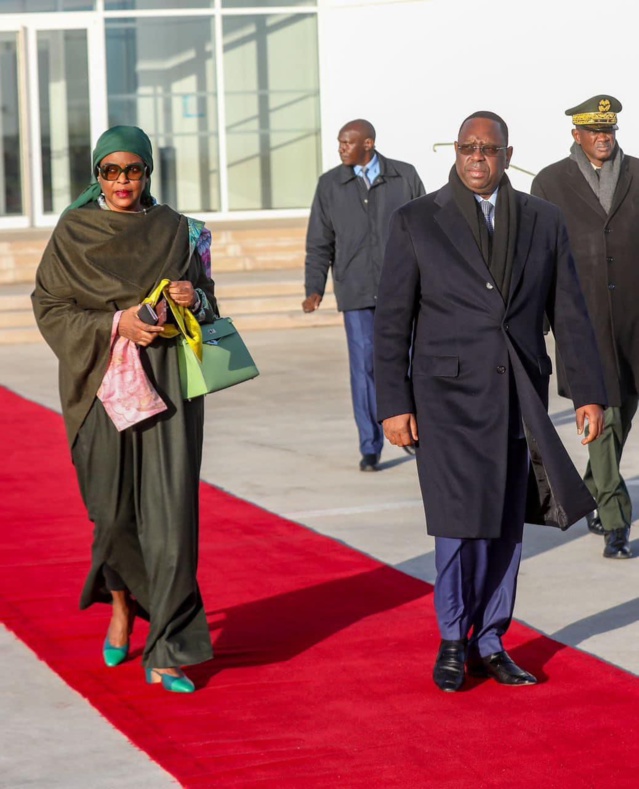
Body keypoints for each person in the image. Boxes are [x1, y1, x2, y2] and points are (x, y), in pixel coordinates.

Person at [374, 111, 606, 693]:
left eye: (488, 148)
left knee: (506, 524)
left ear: (507, 154)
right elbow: (392, 323)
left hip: (516, 396)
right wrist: (392, 404)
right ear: (455, 151)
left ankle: (492, 640)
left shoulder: (542, 220)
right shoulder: (416, 220)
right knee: (459, 523)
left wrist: (589, 393)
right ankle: (453, 639)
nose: (477, 157)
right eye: (467, 147)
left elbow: (570, 312)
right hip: (444, 399)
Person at [31, 126, 217, 693]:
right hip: (99, 385)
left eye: (132, 170)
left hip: (168, 388)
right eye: (110, 171)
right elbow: (50, 304)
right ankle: (120, 604)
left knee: (171, 522)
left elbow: (211, 305)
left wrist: (194, 297)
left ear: (148, 172)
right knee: (112, 515)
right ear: (97, 173)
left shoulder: (177, 230)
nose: (122, 182)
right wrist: (117, 322)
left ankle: (165, 648)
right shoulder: (73, 231)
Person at [531, 95, 637, 559]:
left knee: (620, 418)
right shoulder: (550, 183)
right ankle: (616, 521)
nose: (604, 138)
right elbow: (537, 258)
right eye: (595, 131)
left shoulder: (637, 173)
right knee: (603, 418)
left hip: (635, 325)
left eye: (609, 130)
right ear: (576, 134)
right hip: (583, 324)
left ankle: (594, 489)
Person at [302, 119, 425, 471]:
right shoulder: (330, 184)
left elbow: (428, 231)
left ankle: (413, 431)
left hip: (402, 291)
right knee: (364, 369)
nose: (341, 148)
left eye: (346, 143)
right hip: (355, 291)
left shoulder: (404, 176)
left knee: (413, 361)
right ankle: (370, 445)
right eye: (340, 143)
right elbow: (319, 241)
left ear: (367, 144)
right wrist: (314, 287)